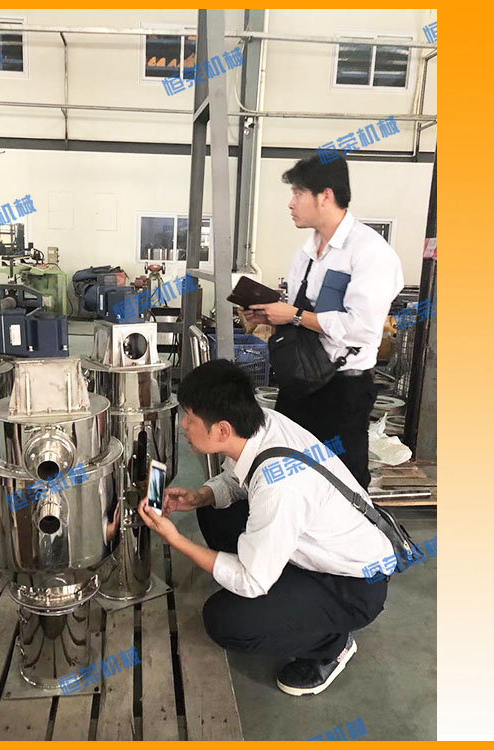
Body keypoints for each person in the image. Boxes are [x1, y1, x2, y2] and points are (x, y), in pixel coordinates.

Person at [137, 360, 392, 696]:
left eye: (190, 418)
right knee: (213, 511)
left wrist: (177, 540)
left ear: (222, 430)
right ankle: (285, 593)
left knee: (226, 620)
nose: (183, 425)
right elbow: (236, 480)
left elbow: (251, 580)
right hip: (323, 548)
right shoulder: (262, 423)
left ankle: (331, 645)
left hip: (352, 585)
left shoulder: (280, 489)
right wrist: (199, 496)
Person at [243, 156, 404, 490]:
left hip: (342, 389)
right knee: (291, 470)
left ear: (325, 196)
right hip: (301, 382)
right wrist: (270, 315)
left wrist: (295, 315)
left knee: (342, 479)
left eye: (298, 193)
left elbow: (363, 327)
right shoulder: (305, 253)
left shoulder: (369, 251)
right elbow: (301, 316)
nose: (291, 203)